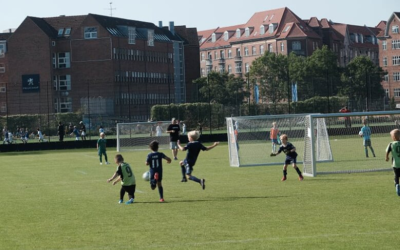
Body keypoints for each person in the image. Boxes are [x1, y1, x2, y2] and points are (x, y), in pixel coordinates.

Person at [386, 129, 400, 196]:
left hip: (395, 164)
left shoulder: (391, 144)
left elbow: (387, 151)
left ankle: (397, 185)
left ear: (393, 137)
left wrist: (387, 157)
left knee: (396, 176)